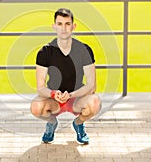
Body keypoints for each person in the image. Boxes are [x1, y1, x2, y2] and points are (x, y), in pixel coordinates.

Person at [30, 8, 101, 144]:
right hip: (54, 100)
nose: (64, 28)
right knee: (36, 107)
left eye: (67, 24)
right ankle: (51, 123)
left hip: (77, 98)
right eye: (60, 24)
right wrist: (53, 94)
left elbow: (92, 85)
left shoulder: (84, 50)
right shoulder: (45, 52)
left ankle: (79, 124)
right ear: (54, 26)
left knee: (95, 102)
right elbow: (40, 87)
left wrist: (71, 95)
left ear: (73, 26)